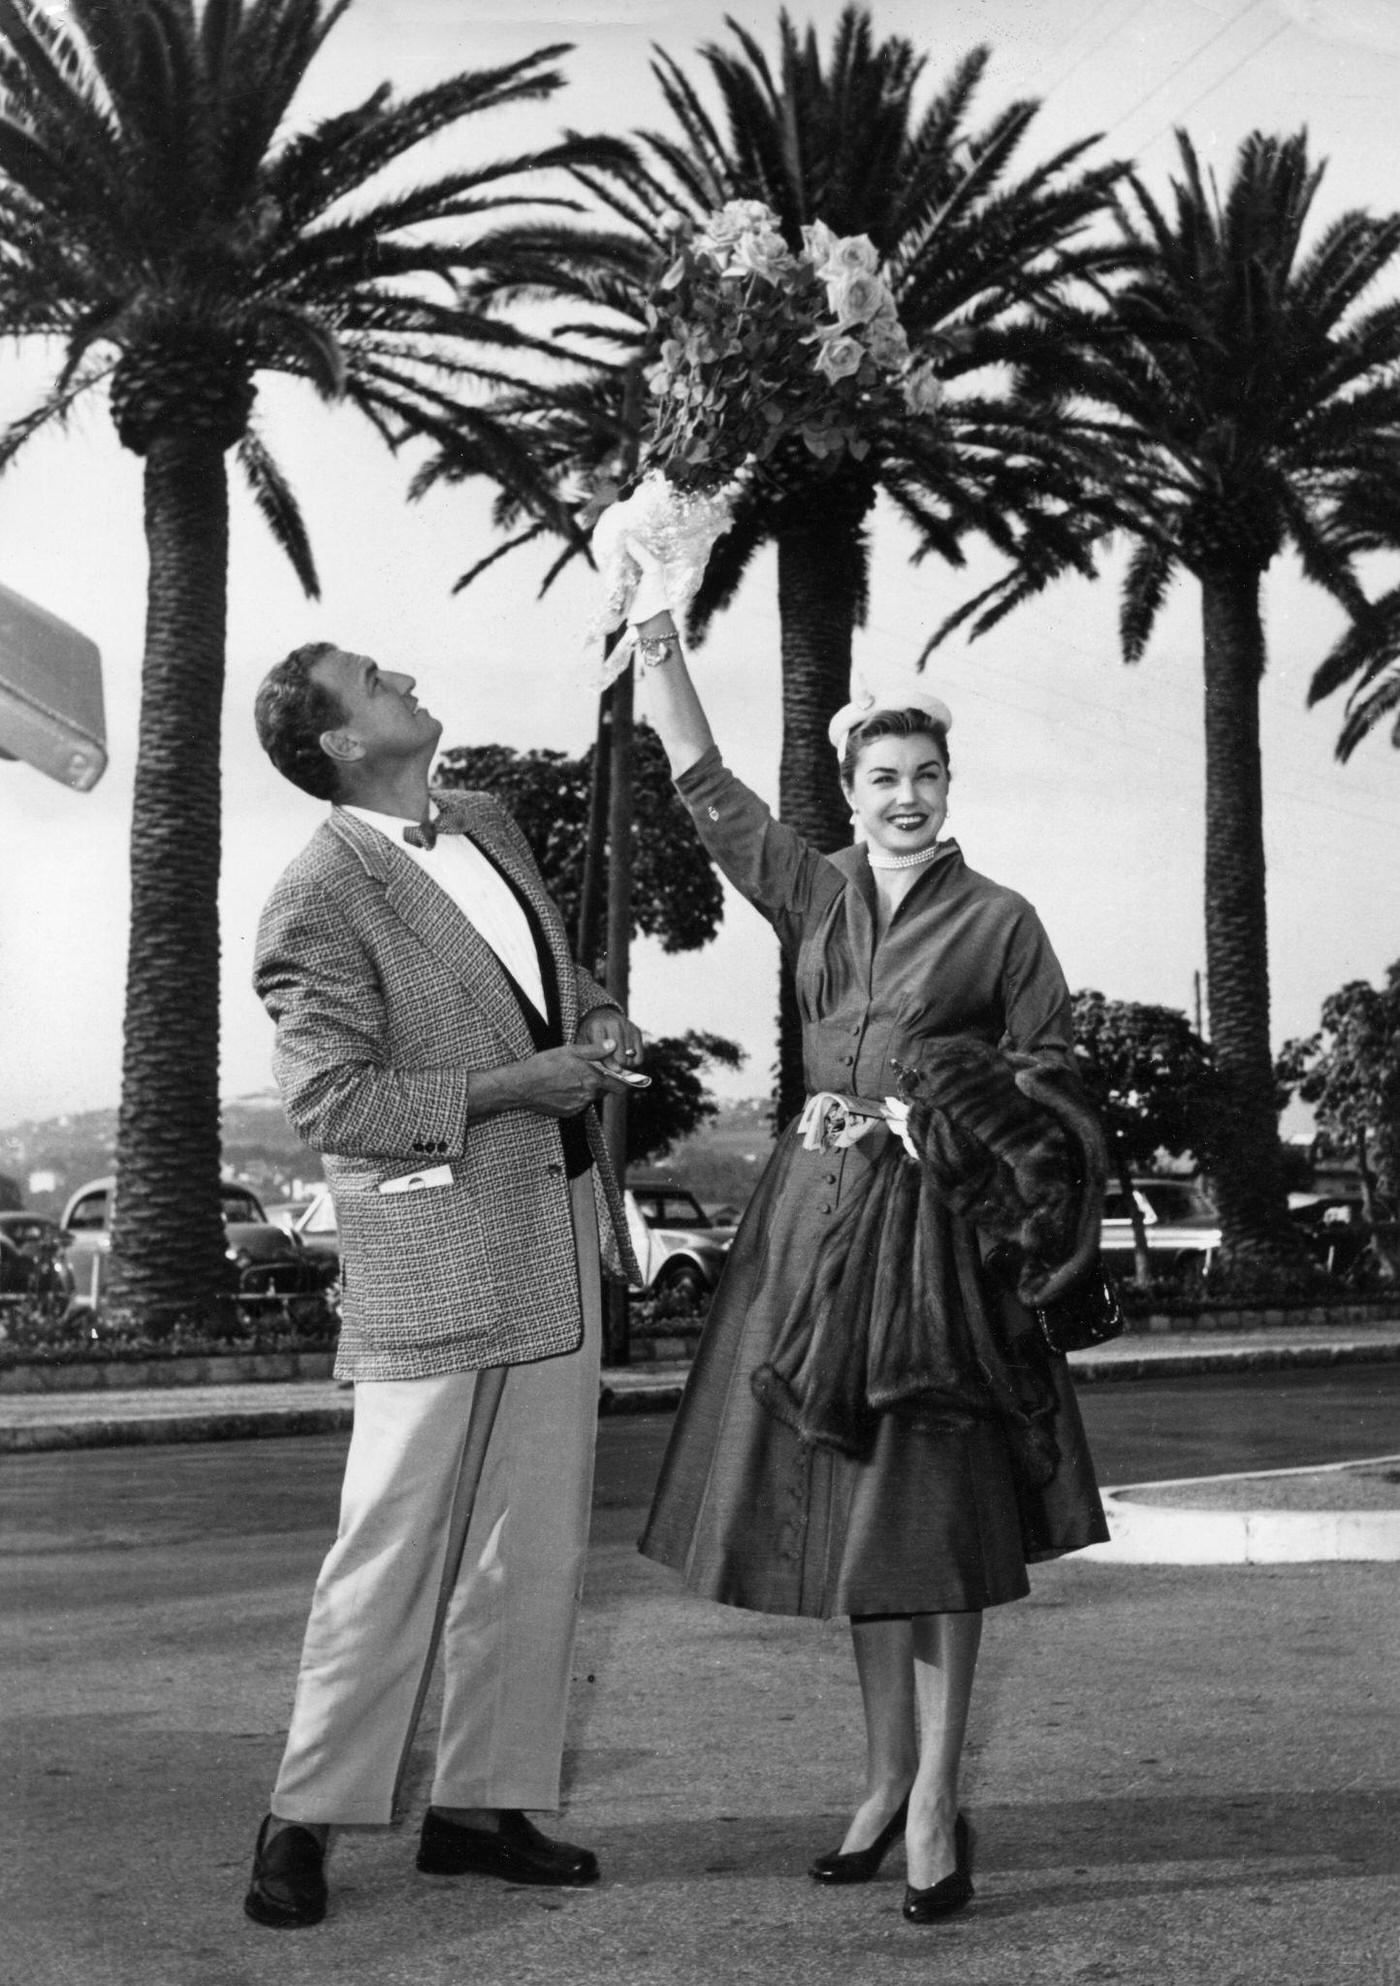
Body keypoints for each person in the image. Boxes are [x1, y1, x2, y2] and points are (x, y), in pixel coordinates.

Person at [621, 578, 1108, 1926]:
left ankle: (943, 1799)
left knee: (934, 1534)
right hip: (811, 1231)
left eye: (927, 775)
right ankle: (885, 1776)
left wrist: (925, 1108)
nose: (908, 796)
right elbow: (711, 789)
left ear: (952, 783)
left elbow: (1054, 1073)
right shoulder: (814, 889)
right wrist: (659, 645)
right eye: (885, 776)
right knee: (856, 1536)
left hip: (941, 1261)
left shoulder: (1001, 918)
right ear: (849, 788)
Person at [243, 640, 642, 1930]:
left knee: (534, 1536)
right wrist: (511, 1090)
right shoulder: (318, 891)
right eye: (372, 677)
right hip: (432, 1253)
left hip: (554, 1222)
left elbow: (540, 980)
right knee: (391, 1542)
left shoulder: (485, 820)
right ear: (342, 744)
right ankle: (301, 1815)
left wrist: (593, 1022)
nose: (403, 674)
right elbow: (331, 1099)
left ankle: (481, 1806)